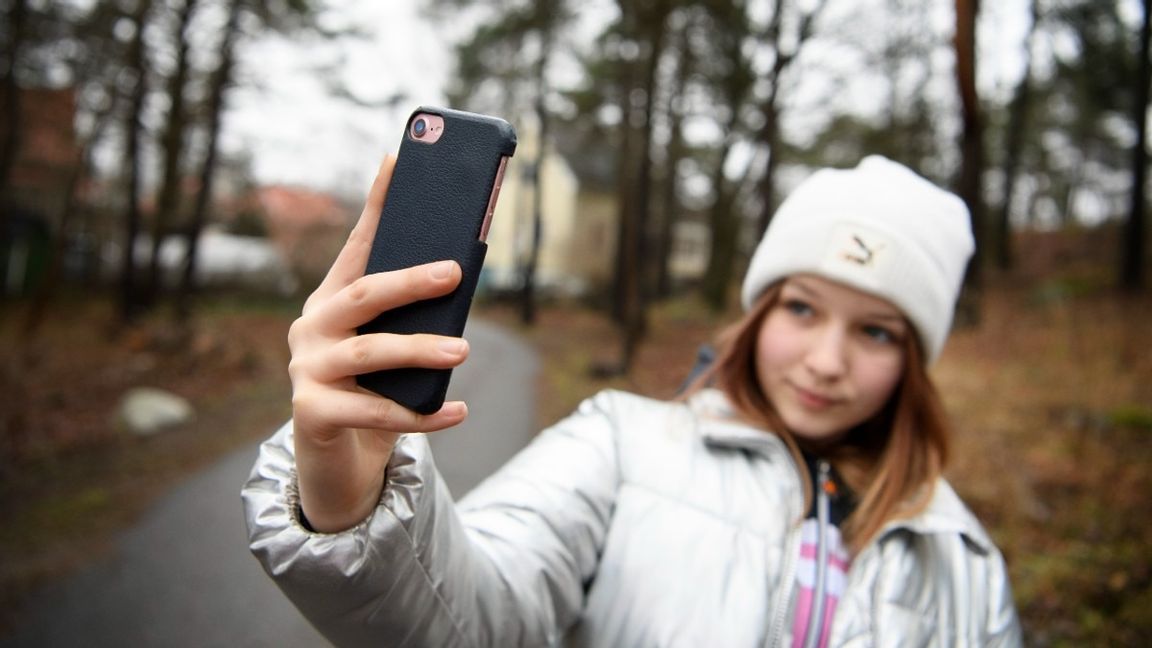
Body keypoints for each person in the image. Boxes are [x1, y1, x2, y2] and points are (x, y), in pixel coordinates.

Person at [243, 154, 1023, 647]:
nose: (827, 361)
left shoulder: (963, 563)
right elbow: (470, 621)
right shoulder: (622, 445)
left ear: (915, 361)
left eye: (878, 332)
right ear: (758, 314)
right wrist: (355, 492)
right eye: (802, 309)